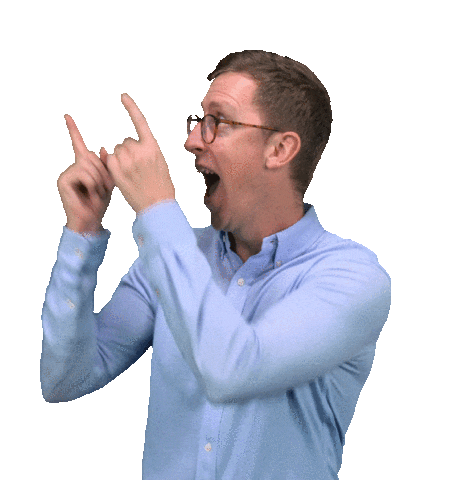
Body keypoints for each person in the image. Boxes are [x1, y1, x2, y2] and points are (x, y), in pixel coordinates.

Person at [41, 50, 391, 479]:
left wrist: (156, 208)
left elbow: (233, 371)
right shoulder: (173, 255)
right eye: (198, 120)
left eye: (218, 121)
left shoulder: (352, 276)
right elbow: (65, 380)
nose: (192, 140)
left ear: (280, 149)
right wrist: (82, 232)